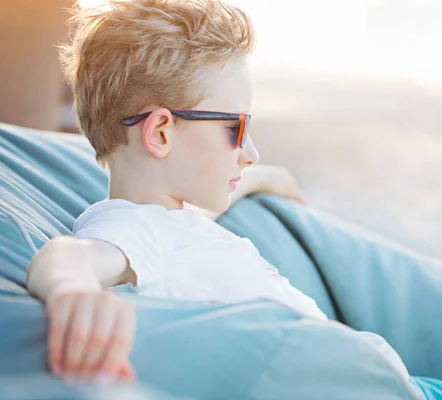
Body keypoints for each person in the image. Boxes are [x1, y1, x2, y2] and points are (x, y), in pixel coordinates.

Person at [26, 0, 412, 386]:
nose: (251, 153)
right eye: (236, 130)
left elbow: (190, 226)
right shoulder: (133, 228)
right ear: (161, 133)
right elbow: (70, 257)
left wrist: (265, 177)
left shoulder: (166, 218)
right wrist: (71, 293)